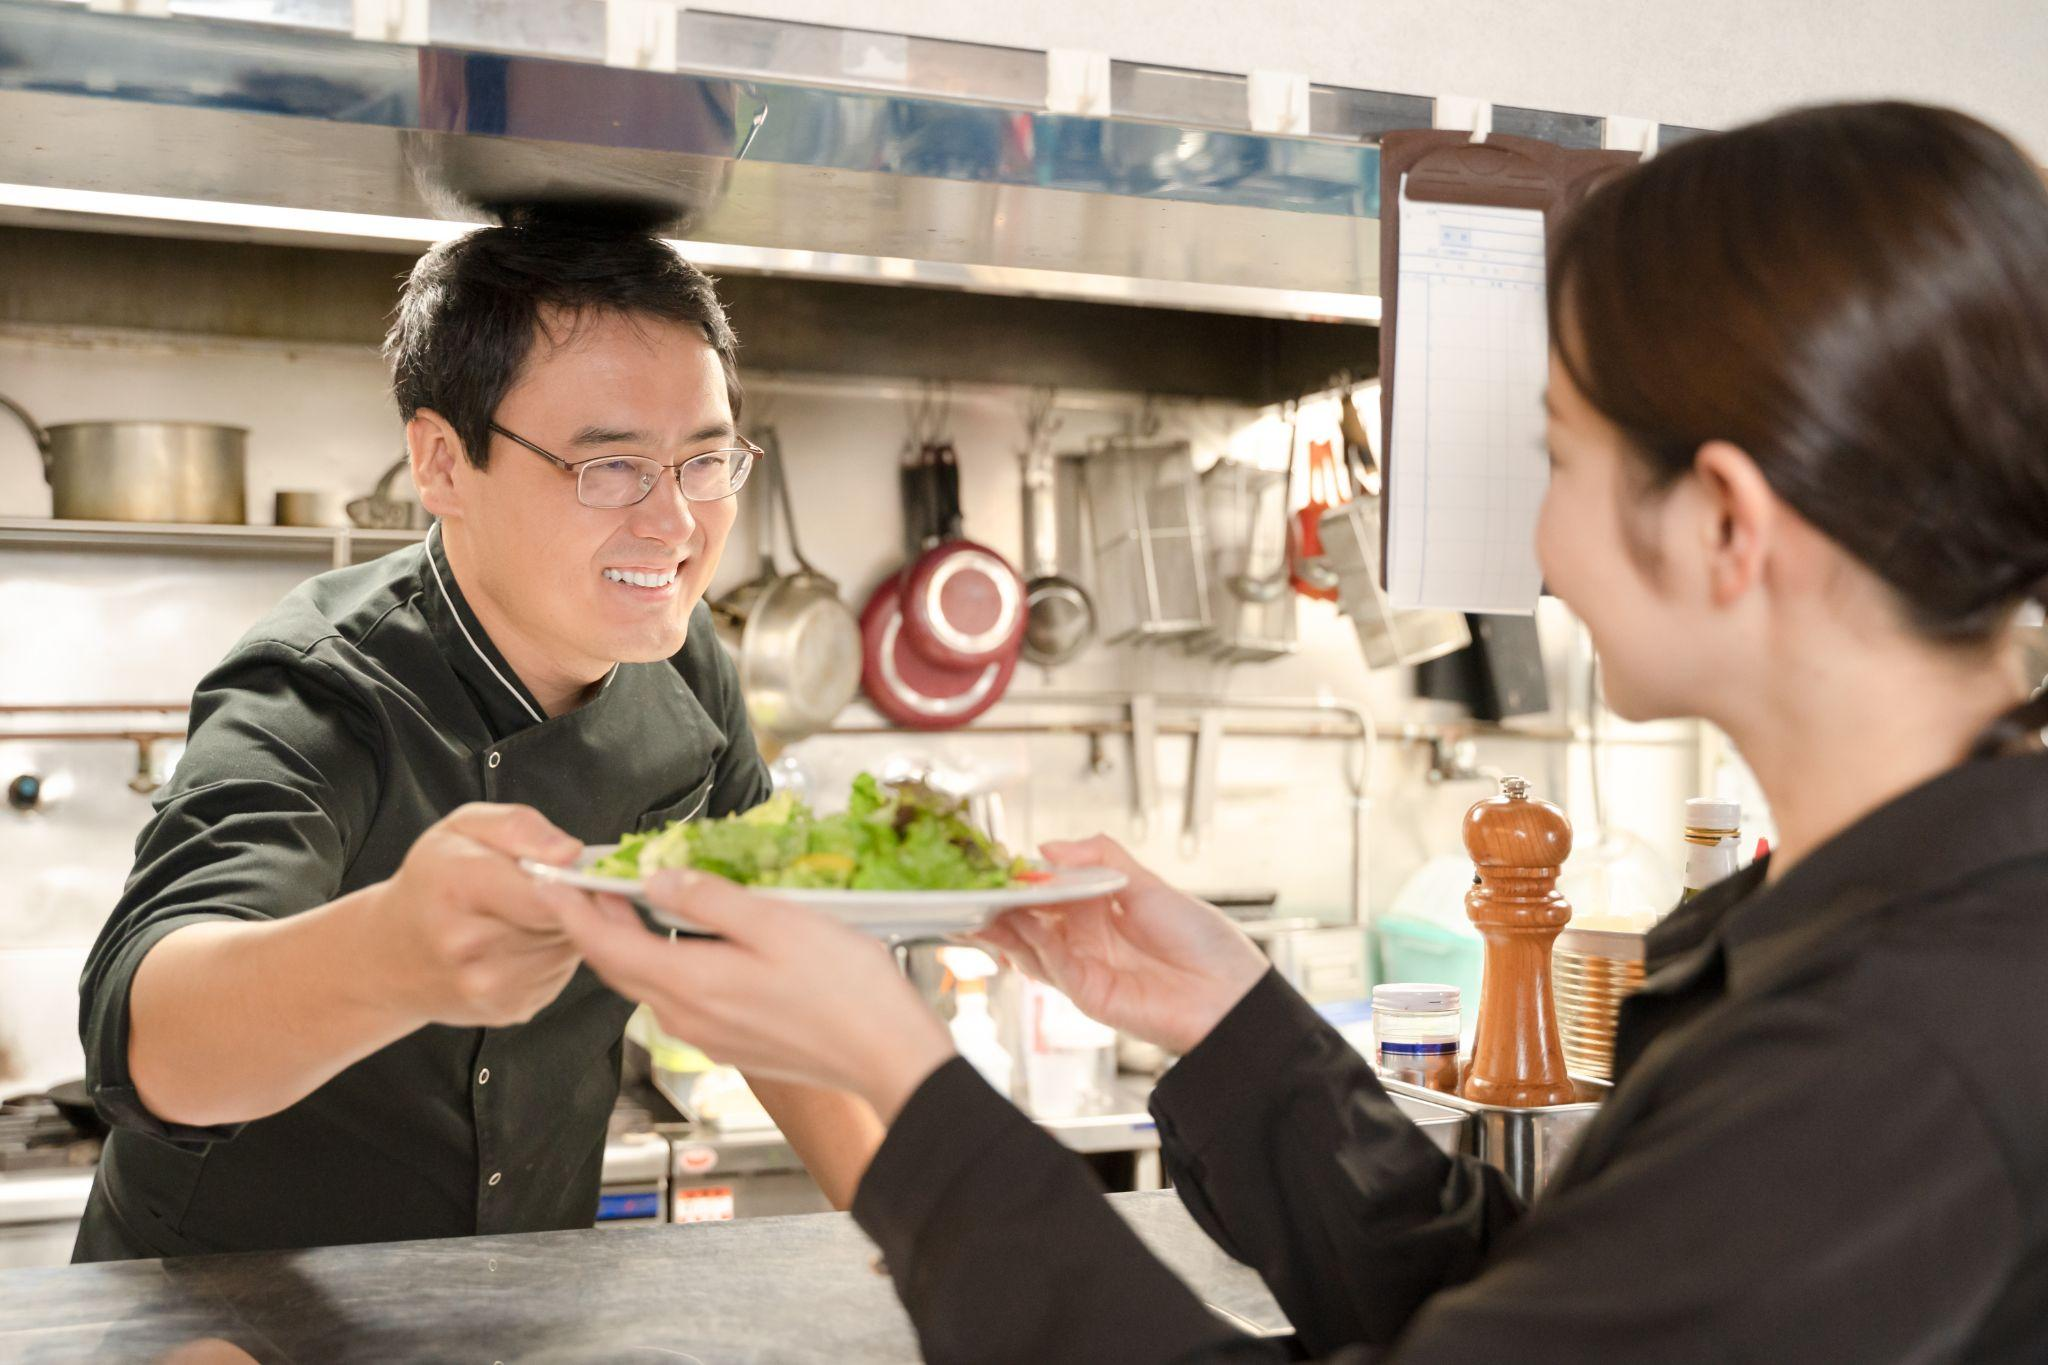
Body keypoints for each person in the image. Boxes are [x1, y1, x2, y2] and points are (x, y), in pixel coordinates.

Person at [561, 100, 2048, 1361]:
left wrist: (908, 1087)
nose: (1539, 540)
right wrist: (1240, 1029)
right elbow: (1519, 1309)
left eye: (1561, 458)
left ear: (1724, 522)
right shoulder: (1872, 932)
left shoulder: (1899, 1049)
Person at [74, 214, 882, 1261]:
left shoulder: (688, 671)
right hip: (225, 1305)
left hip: (514, 1300)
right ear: (443, 462)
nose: (676, 524)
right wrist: (389, 957)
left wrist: (932, 1244)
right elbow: (150, 1037)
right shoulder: (319, 687)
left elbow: (765, 975)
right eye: (610, 466)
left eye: (704, 459)